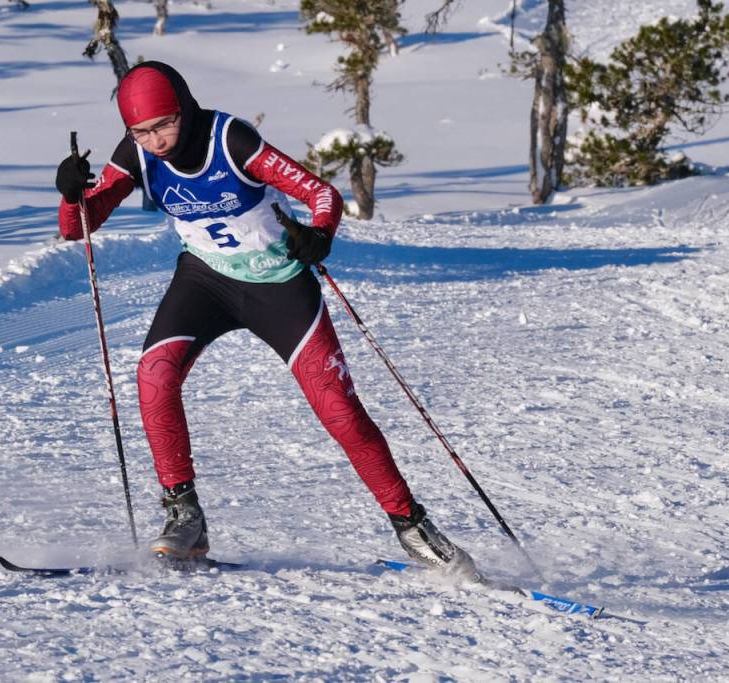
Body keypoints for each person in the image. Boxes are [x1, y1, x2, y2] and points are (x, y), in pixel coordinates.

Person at [55, 61, 475, 577]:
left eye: (164, 124)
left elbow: (323, 195)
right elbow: (80, 227)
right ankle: (185, 516)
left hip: (279, 285)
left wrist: (319, 233)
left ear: (183, 108)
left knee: (338, 409)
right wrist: (72, 193)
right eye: (142, 131)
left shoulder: (230, 140)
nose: (156, 141)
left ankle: (412, 525)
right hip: (205, 280)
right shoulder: (136, 154)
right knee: (154, 375)